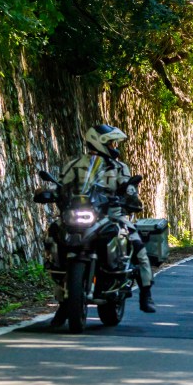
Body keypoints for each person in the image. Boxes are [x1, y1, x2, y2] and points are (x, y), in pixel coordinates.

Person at [50, 124, 156, 328]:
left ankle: (146, 293)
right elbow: (61, 185)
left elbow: (129, 189)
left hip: (112, 216)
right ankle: (65, 300)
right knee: (53, 235)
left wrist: (131, 199)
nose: (114, 147)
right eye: (111, 142)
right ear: (99, 142)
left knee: (137, 245)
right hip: (79, 214)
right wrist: (51, 193)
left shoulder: (119, 167)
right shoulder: (74, 164)